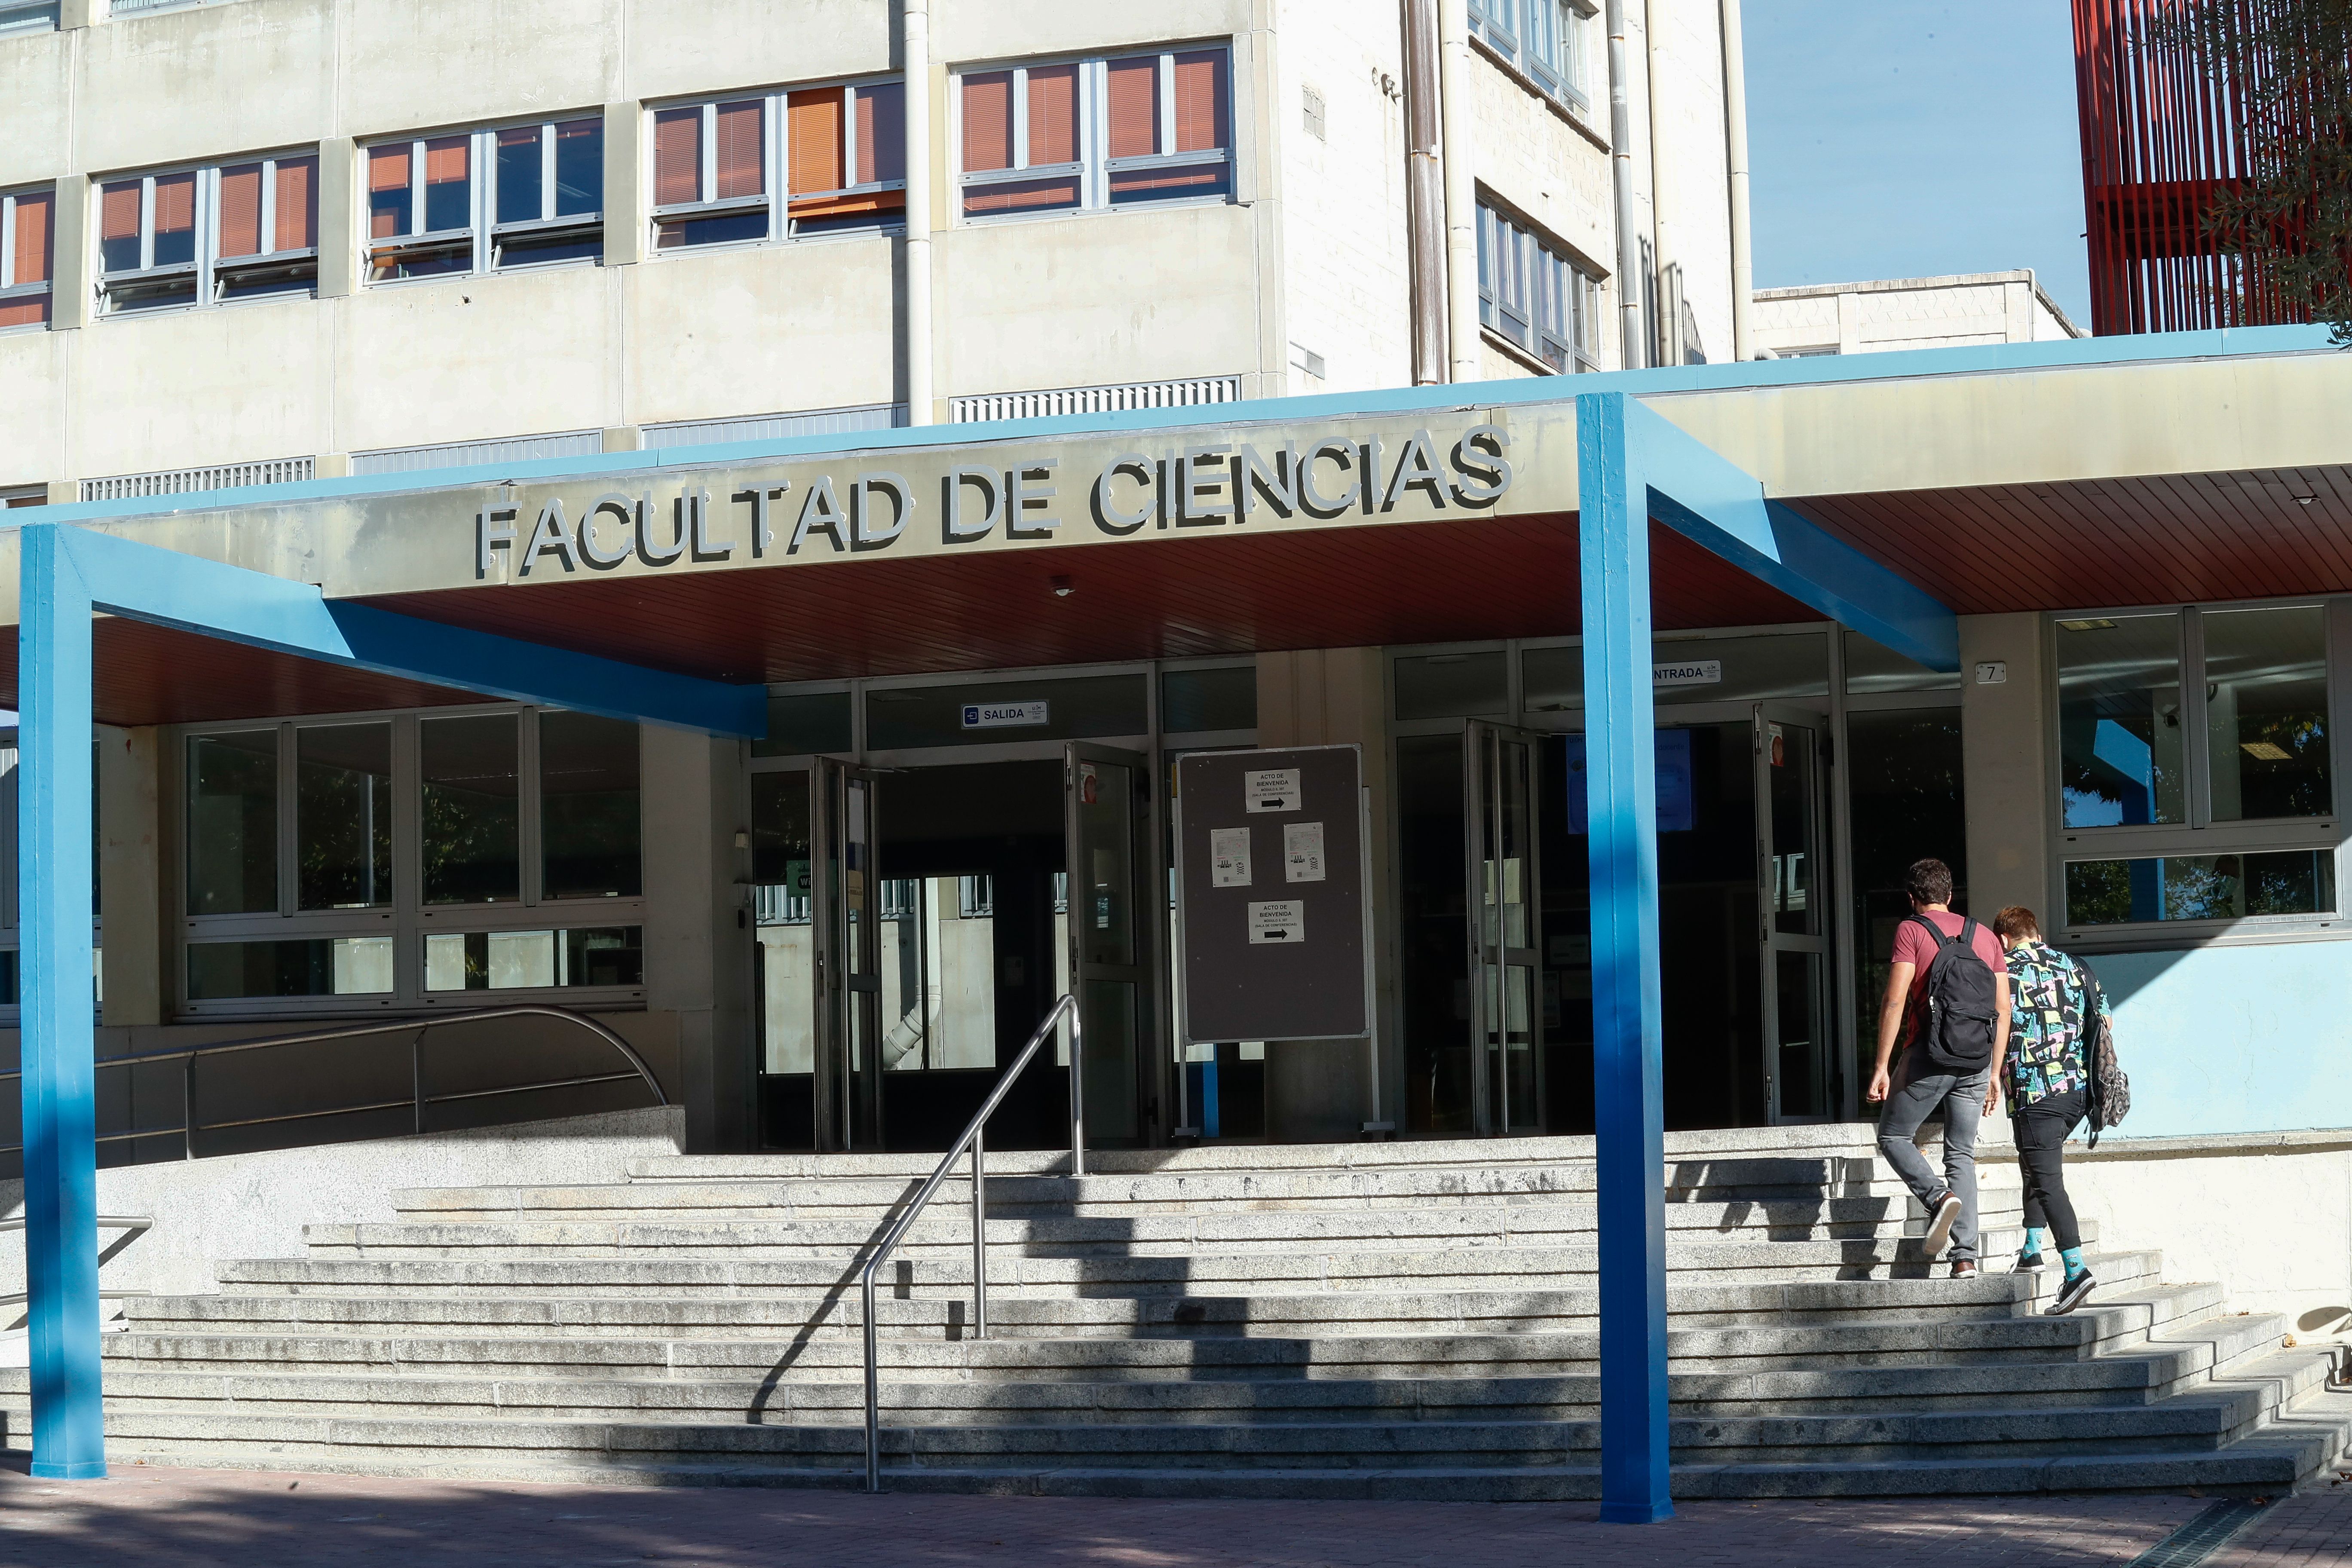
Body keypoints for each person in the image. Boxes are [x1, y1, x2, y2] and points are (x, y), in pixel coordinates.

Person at [1866, 858, 2011, 1279]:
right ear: (1951, 895)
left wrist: (1881, 1065)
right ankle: (1965, 1258)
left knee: (1894, 1135)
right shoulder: (1985, 937)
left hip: (1928, 1056)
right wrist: (1993, 1073)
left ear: (1912, 898)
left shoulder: (1911, 930)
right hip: (1975, 1061)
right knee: (1961, 1152)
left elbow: (1895, 1001)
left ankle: (1936, 1196)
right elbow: (2003, 1009)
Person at [1994, 905, 2107, 1316]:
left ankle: (2076, 1271)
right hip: (2077, 1092)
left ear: (2004, 939)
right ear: (2035, 932)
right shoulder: (2075, 965)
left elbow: (1993, 1026)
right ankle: (2031, 1249)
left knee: (2047, 1181)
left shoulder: (2001, 970)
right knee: (2035, 1167)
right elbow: (2105, 1020)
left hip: (2034, 1093)